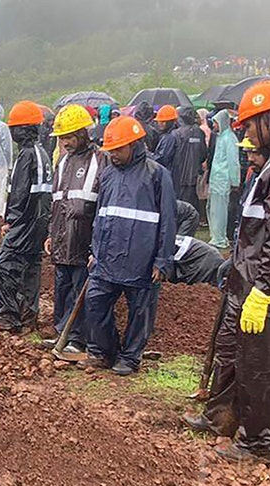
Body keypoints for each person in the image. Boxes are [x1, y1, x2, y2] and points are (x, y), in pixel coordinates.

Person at [184, 80, 270, 462]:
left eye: (251, 124)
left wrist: (263, 290)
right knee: (230, 351)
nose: (245, 132)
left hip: (266, 289)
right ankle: (221, 417)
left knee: (259, 365)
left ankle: (257, 441)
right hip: (246, 278)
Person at [85, 116, 176, 376]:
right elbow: (101, 214)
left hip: (141, 258)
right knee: (95, 302)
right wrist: (95, 250)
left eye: (118, 149)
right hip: (108, 257)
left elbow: (168, 220)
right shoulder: (109, 174)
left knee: (140, 311)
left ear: (135, 145)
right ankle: (106, 351)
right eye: (110, 150)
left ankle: (130, 357)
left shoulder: (157, 174)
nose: (113, 154)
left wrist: (162, 260)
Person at [46, 105, 103, 356]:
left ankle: (78, 338)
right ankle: (62, 331)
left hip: (83, 239)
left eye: (69, 137)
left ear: (82, 134)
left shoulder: (99, 159)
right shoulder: (63, 161)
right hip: (61, 237)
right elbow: (57, 202)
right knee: (62, 288)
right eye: (62, 138)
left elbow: (98, 204)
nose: (65, 142)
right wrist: (51, 233)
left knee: (81, 288)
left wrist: (97, 245)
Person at [0, 101, 53, 333]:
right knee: (30, 268)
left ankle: (9, 316)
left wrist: (11, 221)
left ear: (24, 129)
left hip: (26, 223)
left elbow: (19, 192)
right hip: (39, 222)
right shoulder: (42, 154)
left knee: (2, 266)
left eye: (14, 128)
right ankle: (29, 315)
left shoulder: (28, 155)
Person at [207, 108, 241, 248]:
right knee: (212, 209)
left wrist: (235, 181)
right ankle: (215, 236)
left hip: (222, 181)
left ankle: (220, 238)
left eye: (215, 122)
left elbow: (233, 162)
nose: (214, 125)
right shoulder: (221, 137)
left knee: (220, 210)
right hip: (216, 180)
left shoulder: (230, 139)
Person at [167, 107, 206, 217]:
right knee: (191, 205)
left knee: (179, 205)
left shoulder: (176, 134)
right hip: (193, 176)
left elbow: (168, 156)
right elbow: (203, 154)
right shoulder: (199, 132)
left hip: (178, 176)